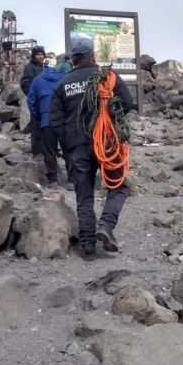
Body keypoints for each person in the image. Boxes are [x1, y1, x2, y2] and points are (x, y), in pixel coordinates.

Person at [50, 37, 134, 261]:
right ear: (93, 56)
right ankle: (106, 225)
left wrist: (68, 146)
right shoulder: (108, 77)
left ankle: (88, 248)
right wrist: (112, 120)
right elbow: (127, 102)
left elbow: (55, 121)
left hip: (77, 147)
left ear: (73, 60)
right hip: (107, 143)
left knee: (84, 195)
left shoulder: (62, 85)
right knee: (119, 186)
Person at [27, 59, 73, 189]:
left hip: (47, 120)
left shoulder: (37, 80)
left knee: (49, 150)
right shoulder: (67, 78)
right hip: (65, 120)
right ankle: (72, 180)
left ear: (44, 67)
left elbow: (31, 102)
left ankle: (53, 180)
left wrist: (39, 117)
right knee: (68, 149)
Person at [20, 46, 47, 155]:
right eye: (37, 54)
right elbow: (25, 84)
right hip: (37, 102)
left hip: (46, 102)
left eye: (42, 54)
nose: (40, 56)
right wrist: (34, 96)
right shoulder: (29, 67)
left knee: (46, 126)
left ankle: (46, 149)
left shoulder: (45, 67)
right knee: (36, 126)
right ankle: (36, 151)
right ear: (33, 56)